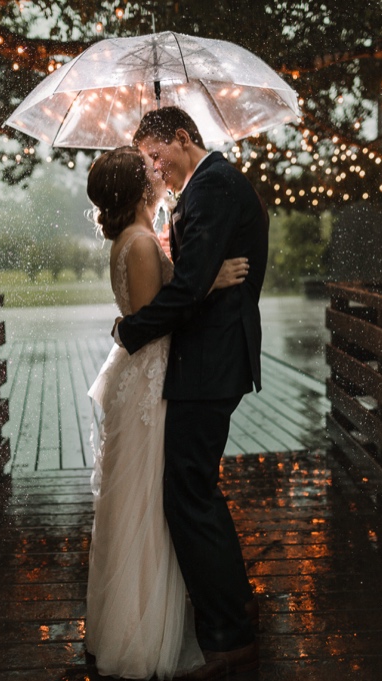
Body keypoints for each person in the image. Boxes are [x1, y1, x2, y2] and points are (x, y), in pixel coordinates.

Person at [114, 107, 269, 679]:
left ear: (184, 138)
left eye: (158, 156)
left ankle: (229, 635)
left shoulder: (213, 188)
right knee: (196, 489)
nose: (155, 169)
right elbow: (197, 275)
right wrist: (199, 273)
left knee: (187, 496)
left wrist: (130, 331)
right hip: (209, 358)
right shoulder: (206, 187)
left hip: (209, 361)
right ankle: (235, 605)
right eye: (147, 162)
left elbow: (186, 288)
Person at [84, 146, 249, 679]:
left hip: (148, 379)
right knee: (145, 503)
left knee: (149, 499)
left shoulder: (134, 237)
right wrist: (212, 280)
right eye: (151, 171)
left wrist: (197, 274)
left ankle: (149, 618)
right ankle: (140, 630)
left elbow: (165, 296)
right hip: (150, 384)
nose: (160, 173)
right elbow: (158, 317)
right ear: (138, 190)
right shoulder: (134, 242)